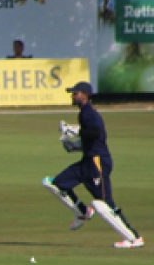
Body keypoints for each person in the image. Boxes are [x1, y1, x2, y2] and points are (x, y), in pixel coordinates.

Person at [42, 81, 144, 249]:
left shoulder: (89, 112)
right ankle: (82, 212)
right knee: (55, 183)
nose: (73, 96)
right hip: (87, 161)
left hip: (97, 162)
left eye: (75, 93)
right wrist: (75, 146)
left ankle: (134, 238)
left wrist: (75, 131)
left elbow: (96, 132)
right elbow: (93, 138)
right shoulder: (84, 113)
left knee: (103, 203)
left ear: (85, 95)